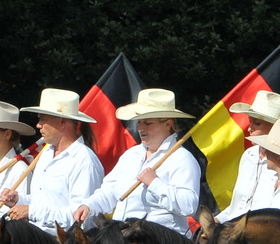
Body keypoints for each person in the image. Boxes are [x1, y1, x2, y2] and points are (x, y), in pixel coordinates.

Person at [73, 88, 201, 233]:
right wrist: (89, 206)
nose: (140, 128)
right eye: (139, 122)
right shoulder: (131, 155)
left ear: (167, 124)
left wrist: (154, 183)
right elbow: (109, 191)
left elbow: (188, 205)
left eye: (148, 123)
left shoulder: (182, 159)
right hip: (125, 238)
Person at [8, 88, 102, 233]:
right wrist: (18, 200)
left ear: (62, 122)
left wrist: (31, 211)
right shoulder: (46, 153)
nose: (38, 125)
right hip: (39, 235)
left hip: (66, 243)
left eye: (42, 119)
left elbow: (80, 217)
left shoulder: (84, 160)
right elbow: (43, 200)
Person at [215, 91, 280, 221]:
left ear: (275, 129)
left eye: (257, 123)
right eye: (250, 122)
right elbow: (239, 205)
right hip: (234, 231)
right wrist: (218, 220)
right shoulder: (248, 156)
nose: (250, 128)